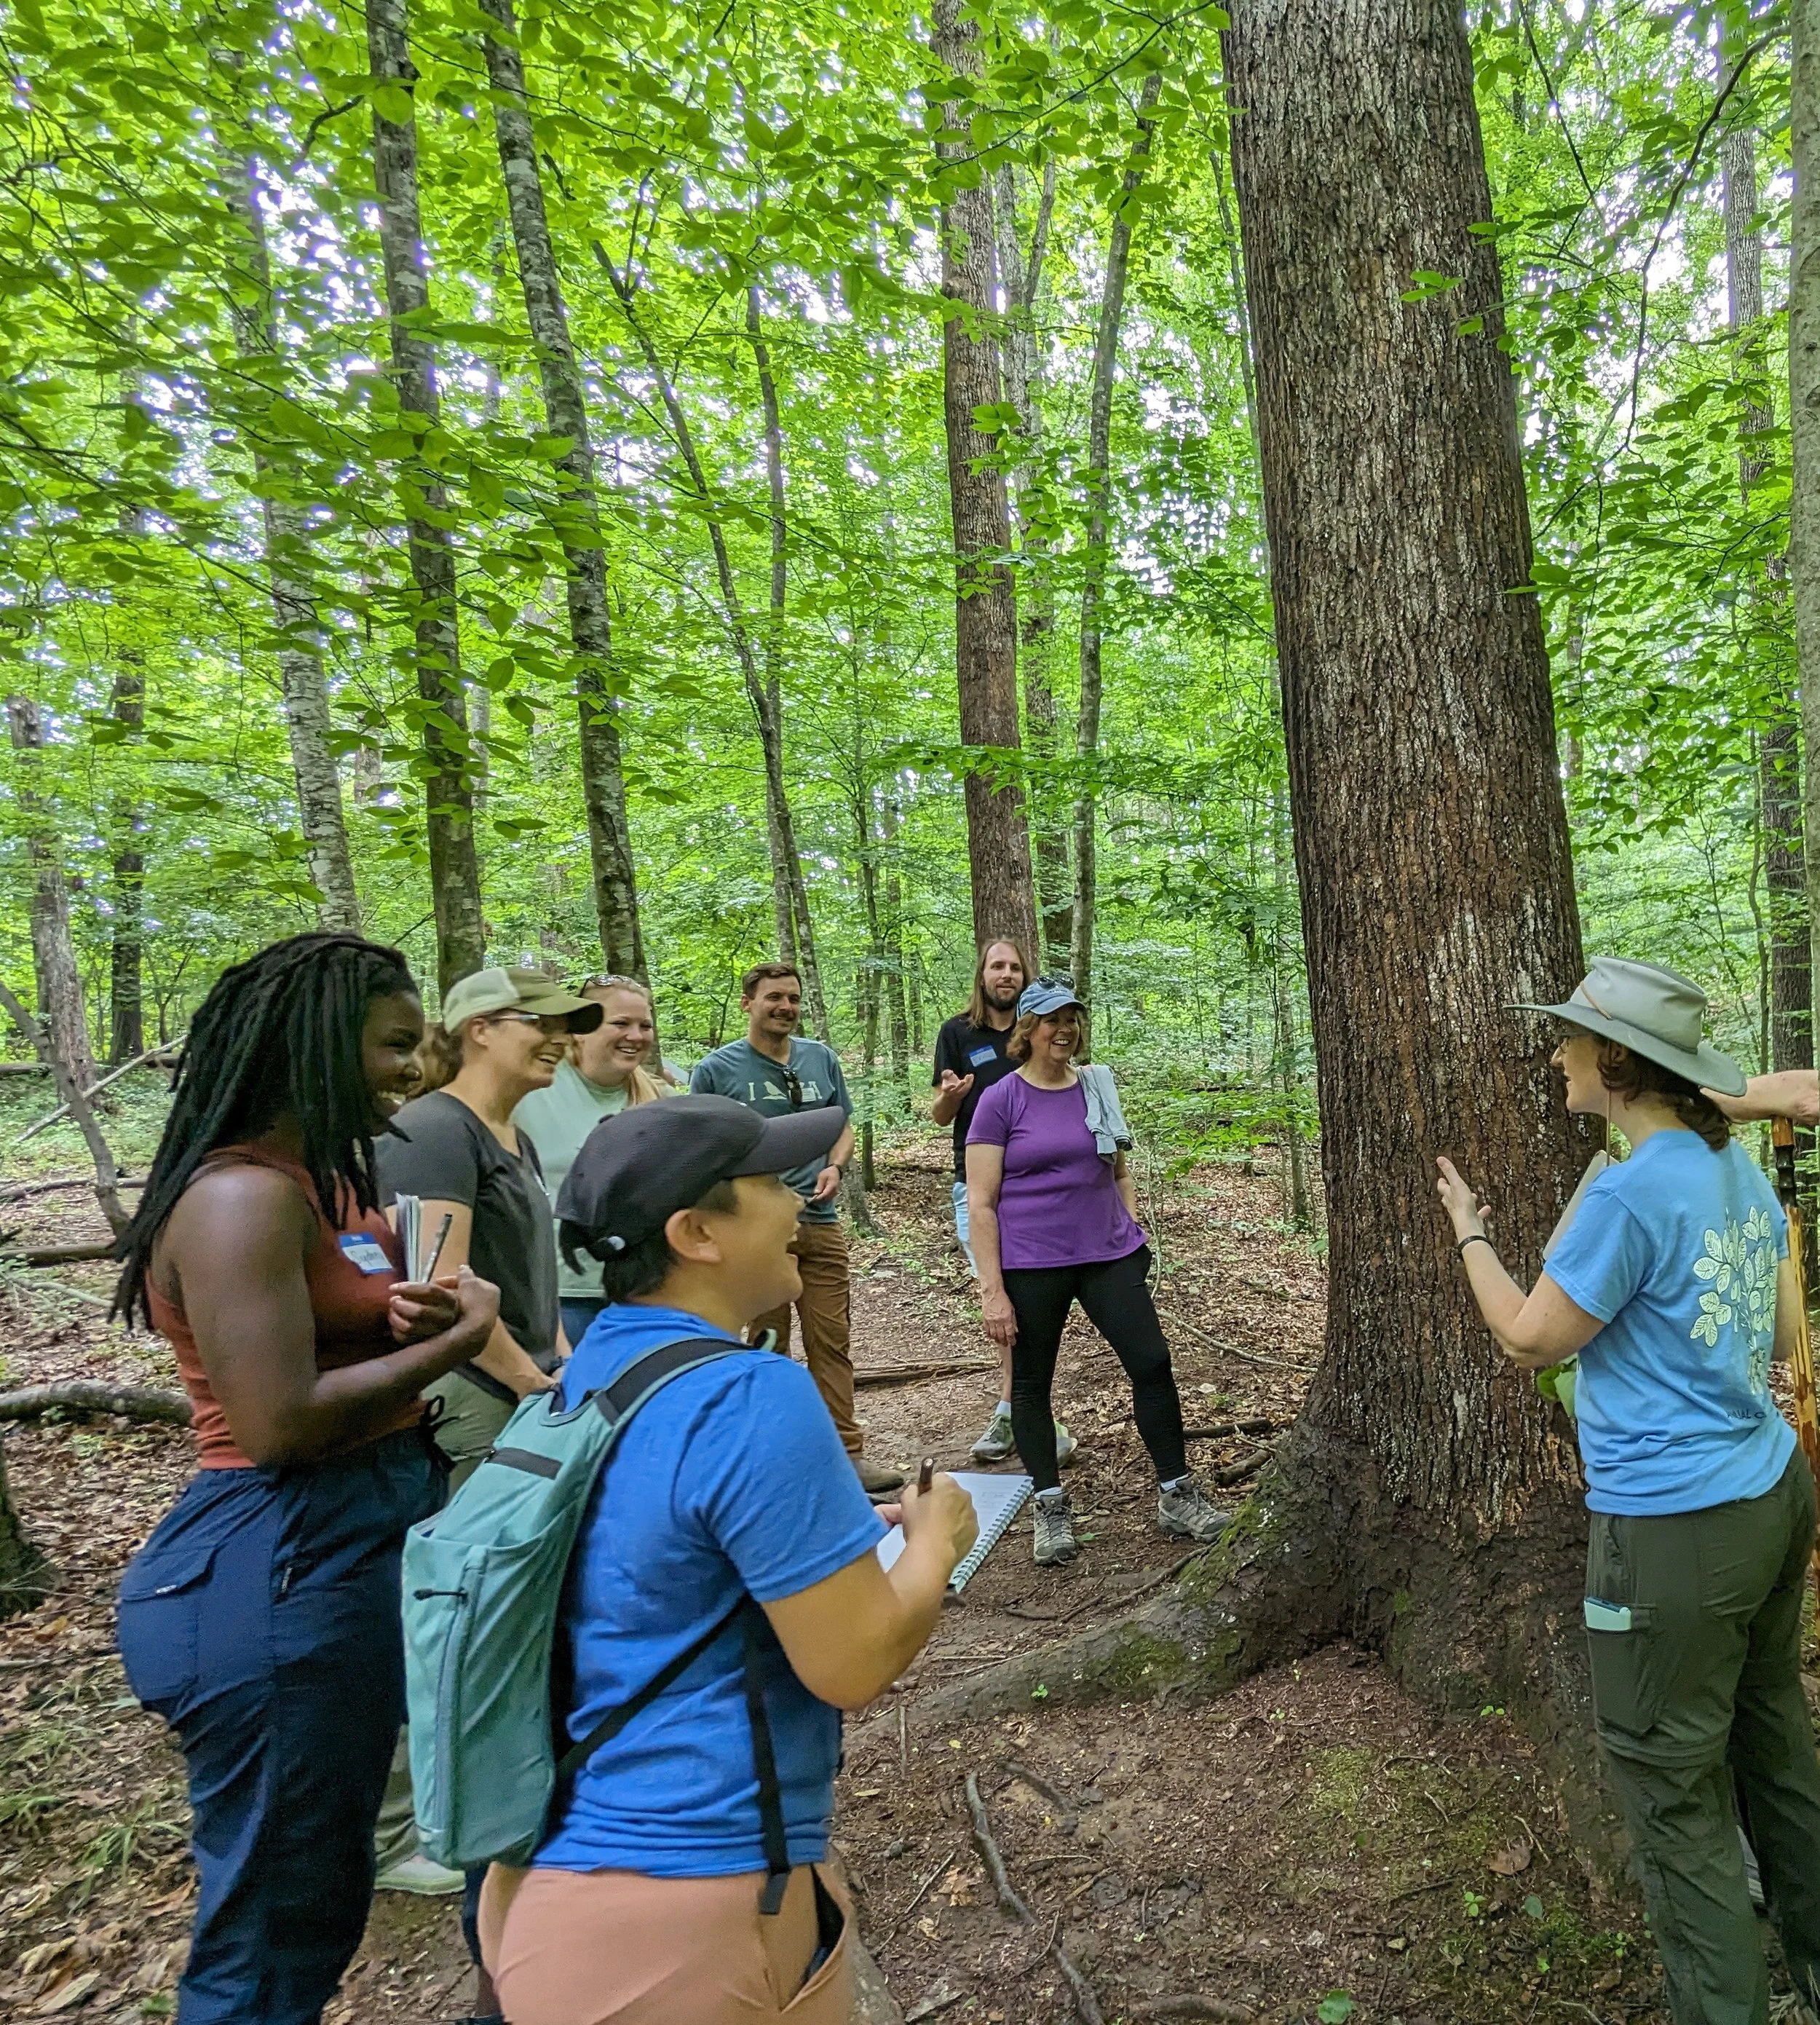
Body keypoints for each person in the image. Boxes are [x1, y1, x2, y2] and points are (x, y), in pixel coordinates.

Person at [476, 1094, 978, 2025]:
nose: (798, 1202)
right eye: (768, 1184)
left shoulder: (585, 1379)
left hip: (548, 1886)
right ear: (697, 1232)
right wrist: (939, 1538)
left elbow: (654, 1569)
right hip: (688, 1909)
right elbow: (854, 1660)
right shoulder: (752, 1395)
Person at [111, 933, 499, 2025]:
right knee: (282, 1931)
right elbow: (274, 1423)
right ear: (314, 1044)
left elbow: (337, 1322)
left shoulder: (322, 1181)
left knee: (330, 1890)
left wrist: (400, 1313)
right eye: (389, 1043)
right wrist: (461, 1334)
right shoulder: (239, 1197)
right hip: (283, 1558)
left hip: (366, 1525)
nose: (411, 1065)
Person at [1436, 957, 1820, 2024]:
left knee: (1676, 1796)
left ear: (1614, 1062)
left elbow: (1526, 1338)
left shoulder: (1634, 1190)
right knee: (1773, 1739)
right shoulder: (1725, 1163)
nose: (1555, 1053)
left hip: (1674, 1536)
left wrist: (1469, 1229)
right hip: (1771, 1497)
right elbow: (1787, 1333)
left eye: (1568, 1039)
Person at [965, 976, 1230, 1566]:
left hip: (1107, 1253)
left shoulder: (1096, 1086)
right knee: (1032, 1385)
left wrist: (1133, 1234)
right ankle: (1051, 1503)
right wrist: (993, 1291)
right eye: (1052, 1020)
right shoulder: (1000, 1099)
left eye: (1073, 1019)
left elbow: (1119, 1172)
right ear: (1028, 1030)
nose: (1065, 1030)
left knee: (1152, 1361)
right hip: (1032, 1262)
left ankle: (1175, 1492)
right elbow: (981, 1203)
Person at [379, 965, 604, 1489]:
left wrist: (563, 1361)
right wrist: (529, 1383)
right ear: (480, 1028)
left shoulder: (513, 1136)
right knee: (477, 1562)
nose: (559, 1040)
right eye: (540, 1023)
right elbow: (442, 1286)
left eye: (564, 1027)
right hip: (475, 1392)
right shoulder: (435, 1130)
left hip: (526, 1384)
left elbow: (530, 1269)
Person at [691, 962, 903, 1495]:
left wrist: (836, 1165)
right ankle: (776, 1459)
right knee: (767, 1343)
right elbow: (703, 1150)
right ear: (748, 1003)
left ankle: (847, 1456)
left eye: (793, 999)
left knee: (831, 1340)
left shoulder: (820, 1058)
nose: (785, 1007)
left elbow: (842, 1125)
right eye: (774, 998)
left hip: (820, 1221)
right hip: (757, 1233)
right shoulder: (718, 1070)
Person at [932, 936, 1076, 1470]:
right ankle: (1019, 1409)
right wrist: (950, 1095)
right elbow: (941, 1115)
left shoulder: (1044, 1029)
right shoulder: (957, 1033)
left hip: (1042, 1190)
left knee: (1031, 1305)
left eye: (1015, 967)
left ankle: (1019, 1409)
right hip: (981, 1190)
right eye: (998, 965)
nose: (1007, 974)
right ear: (983, 974)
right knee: (1003, 1301)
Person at [514, 973, 671, 1348]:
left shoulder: (660, 1098)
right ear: (581, 1030)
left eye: (644, 1025)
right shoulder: (533, 1087)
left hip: (640, 1294)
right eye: (620, 1023)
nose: (636, 1035)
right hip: (554, 1294)